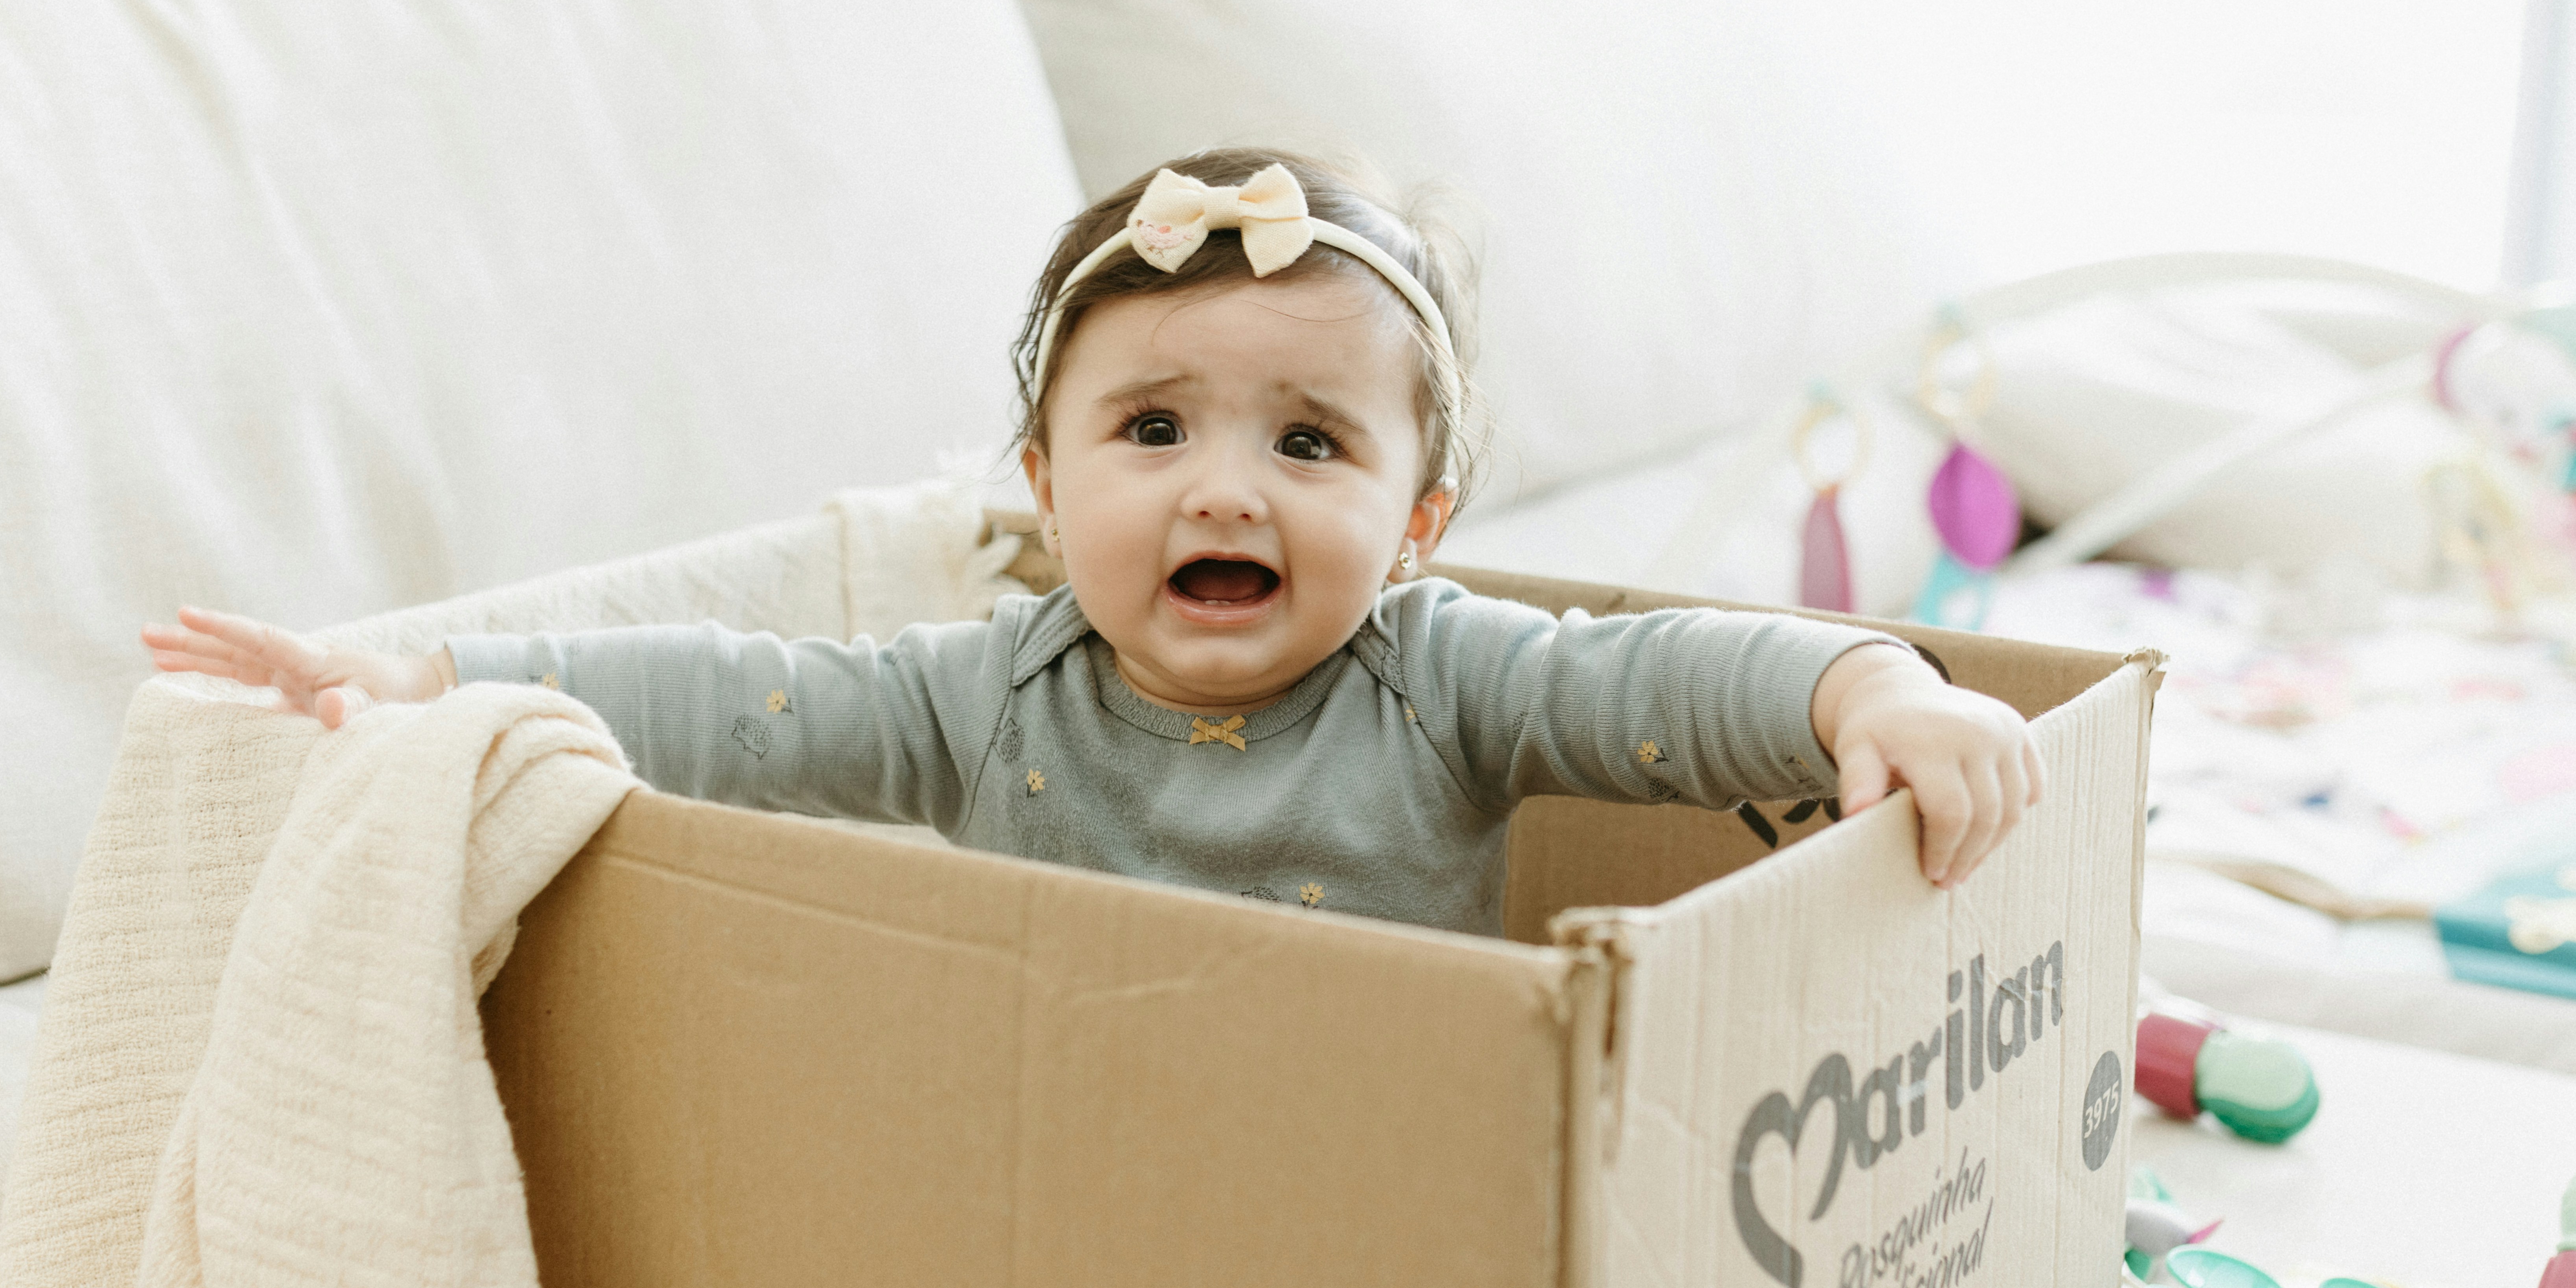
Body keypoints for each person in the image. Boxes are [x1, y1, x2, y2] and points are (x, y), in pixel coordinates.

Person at [146, 148, 2041, 938]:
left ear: (1416, 526)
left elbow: (1650, 679)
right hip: (1079, 1135)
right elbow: (742, 703)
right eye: (1151, 432)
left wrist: (1865, 677)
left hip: (1413, 1154)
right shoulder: (987, 697)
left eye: (1309, 442)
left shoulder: (1444, 669)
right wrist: (432, 680)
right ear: (1044, 494)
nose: (1223, 490)